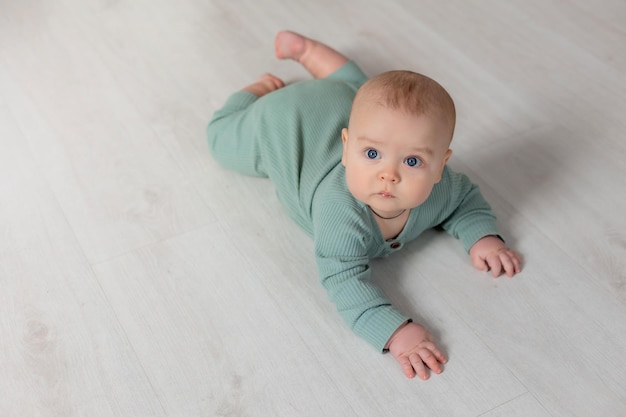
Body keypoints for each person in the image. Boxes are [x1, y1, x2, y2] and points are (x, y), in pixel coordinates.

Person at [207, 31, 523, 380]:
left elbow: (466, 200)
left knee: (360, 91)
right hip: (285, 121)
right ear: (346, 148)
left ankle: (310, 53)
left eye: (413, 162)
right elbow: (342, 278)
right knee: (220, 141)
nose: (388, 175)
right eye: (371, 155)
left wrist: (482, 236)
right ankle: (258, 88)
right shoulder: (339, 213)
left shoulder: (442, 188)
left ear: (440, 165)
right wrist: (394, 330)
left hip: (342, 104)